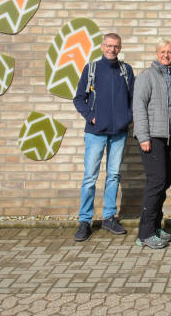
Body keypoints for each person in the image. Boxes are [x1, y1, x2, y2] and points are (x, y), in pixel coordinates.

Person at [72, 33, 135, 242]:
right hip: (95, 133)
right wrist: (91, 118)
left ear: (120, 47)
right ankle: (85, 221)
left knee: (114, 175)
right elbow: (79, 98)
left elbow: (134, 100)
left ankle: (109, 217)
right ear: (102, 46)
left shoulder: (126, 71)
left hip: (118, 133)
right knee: (90, 177)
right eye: (109, 46)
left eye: (116, 46)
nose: (112, 49)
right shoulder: (91, 69)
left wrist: (128, 118)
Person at [132, 40, 171, 249]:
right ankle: (144, 234)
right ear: (156, 53)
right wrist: (143, 137)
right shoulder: (146, 76)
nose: (166, 55)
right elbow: (139, 107)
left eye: (170, 52)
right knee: (156, 182)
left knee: (164, 182)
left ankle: (155, 227)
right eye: (163, 51)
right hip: (153, 137)